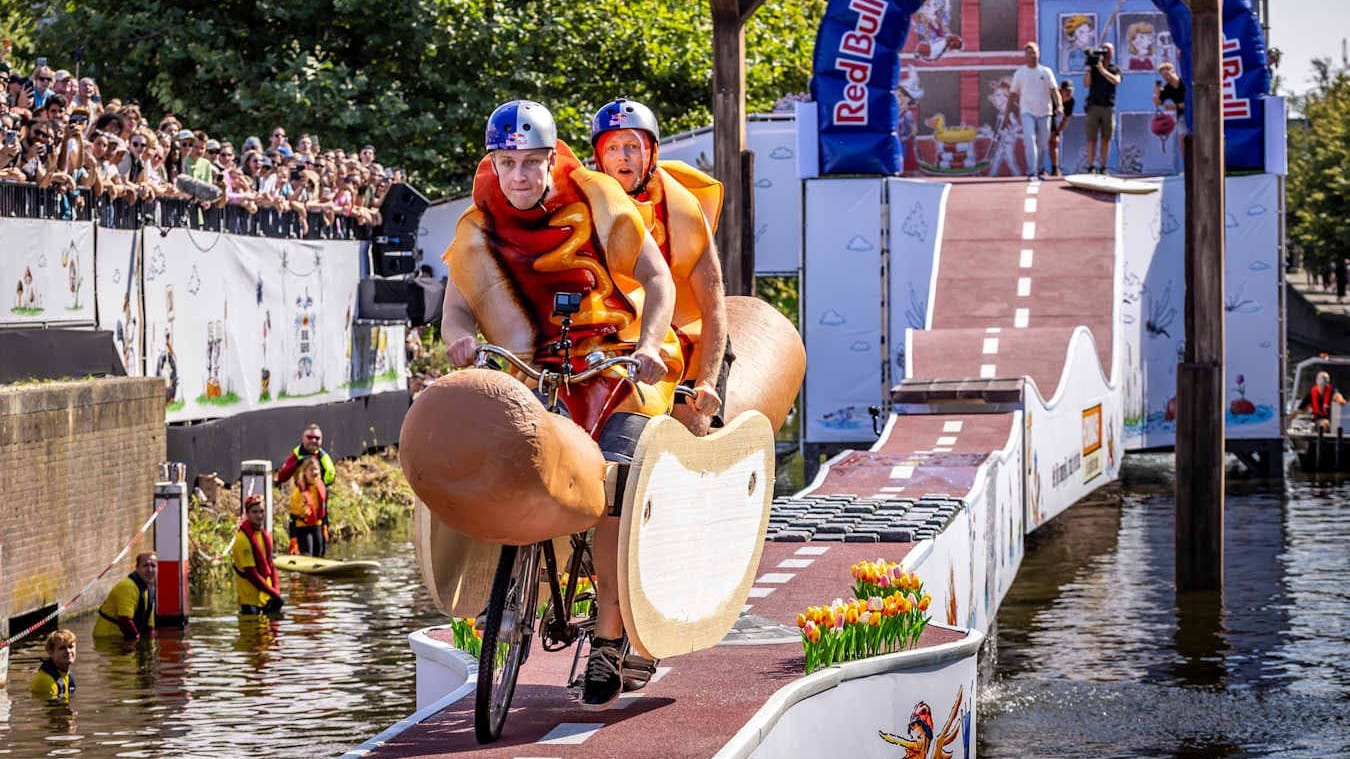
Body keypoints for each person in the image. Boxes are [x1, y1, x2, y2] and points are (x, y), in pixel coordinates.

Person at [441, 99, 678, 710]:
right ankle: (514, 588)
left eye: (530, 162)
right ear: (493, 163)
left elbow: (658, 279)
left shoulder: (597, 197)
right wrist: (461, 343)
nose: (518, 176)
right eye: (506, 162)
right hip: (538, 372)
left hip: (614, 367)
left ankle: (607, 639)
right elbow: (456, 309)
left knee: (608, 493)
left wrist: (650, 343)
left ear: (551, 158)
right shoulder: (478, 226)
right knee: (507, 464)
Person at [590, 96, 729, 436]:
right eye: (612, 148)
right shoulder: (583, 203)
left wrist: (708, 382)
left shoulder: (681, 209)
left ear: (651, 152)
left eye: (632, 147)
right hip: (610, 332)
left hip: (683, 333)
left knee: (690, 423)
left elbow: (712, 305)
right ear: (599, 158)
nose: (623, 157)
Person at [1009, 42, 1062, 180]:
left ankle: (1039, 169)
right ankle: (1031, 171)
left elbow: (1054, 90)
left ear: (1039, 53)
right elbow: (1013, 94)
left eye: (1034, 52)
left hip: (1045, 112)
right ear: (1025, 55)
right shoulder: (1020, 73)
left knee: (1043, 143)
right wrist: (1006, 113)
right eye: (1029, 52)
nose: (1032, 55)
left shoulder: (1046, 71)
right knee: (1030, 139)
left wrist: (1060, 105)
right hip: (1027, 112)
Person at [232, 494, 284, 615]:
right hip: (250, 602)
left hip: (266, 599)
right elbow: (252, 574)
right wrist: (273, 593)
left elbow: (271, 565)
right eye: (254, 512)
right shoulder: (242, 540)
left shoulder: (262, 535)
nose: (259, 516)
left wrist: (276, 591)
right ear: (247, 514)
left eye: (261, 511)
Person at [92, 552, 158, 641]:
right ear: (137, 568)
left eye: (153, 566)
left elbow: (150, 626)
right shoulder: (128, 587)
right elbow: (125, 620)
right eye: (145, 565)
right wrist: (138, 642)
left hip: (124, 637)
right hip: (108, 639)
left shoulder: (149, 590)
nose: (149, 570)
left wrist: (151, 644)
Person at [1082, 42, 1121, 175]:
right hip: (1094, 106)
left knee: (1106, 138)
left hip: (1108, 107)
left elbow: (1116, 81)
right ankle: (1090, 166)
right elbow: (1086, 84)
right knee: (1091, 138)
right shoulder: (1094, 68)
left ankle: (1103, 167)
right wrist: (1089, 66)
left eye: (1109, 51)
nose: (1106, 53)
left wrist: (1102, 70)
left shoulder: (1114, 68)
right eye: (1104, 50)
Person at [287, 457, 328, 557]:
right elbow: (292, 518)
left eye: (316, 469)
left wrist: (325, 526)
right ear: (304, 472)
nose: (314, 472)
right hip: (303, 527)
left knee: (319, 552)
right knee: (308, 553)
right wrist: (293, 538)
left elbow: (324, 510)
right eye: (311, 470)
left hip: (317, 525)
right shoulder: (298, 493)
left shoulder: (321, 487)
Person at [29, 629, 77, 701]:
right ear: (51, 652)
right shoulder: (46, 681)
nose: (68, 651)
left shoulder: (66, 674)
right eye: (62, 648)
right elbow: (53, 711)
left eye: (71, 646)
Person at [1050, 80, 1075, 175]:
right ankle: (1039, 168)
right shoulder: (1053, 98)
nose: (1068, 93)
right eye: (1066, 91)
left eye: (1071, 91)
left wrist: (1057, 132)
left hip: (1053, 118)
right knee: (1044, 141)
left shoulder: (1071, 102)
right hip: (1045, 115)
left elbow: (1066, 119)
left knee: (1054, 141)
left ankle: (1054, 168)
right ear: (1060, 91)